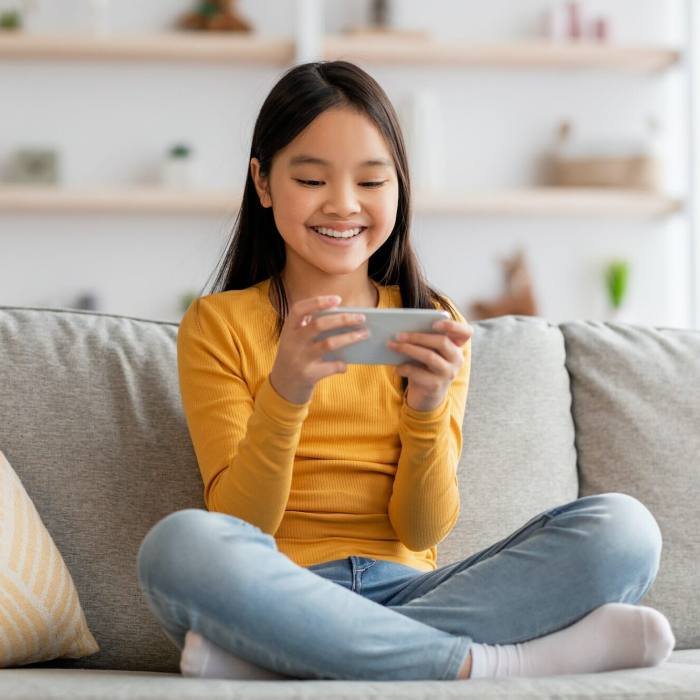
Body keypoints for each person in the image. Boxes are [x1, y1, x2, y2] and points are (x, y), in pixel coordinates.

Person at [136, 60, 674, 682]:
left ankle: (287, 657)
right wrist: (286, 392)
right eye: (311, 178)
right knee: (177, 548)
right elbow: (240, 525)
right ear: (262, 181)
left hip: (414, 589)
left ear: (399, 189)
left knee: (623, 531)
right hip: (283, 589)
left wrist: (426, 409)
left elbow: (422, 528)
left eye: (371, 182)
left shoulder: (431, 320)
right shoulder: (218, 324)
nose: (343, 205)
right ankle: (489, 663)